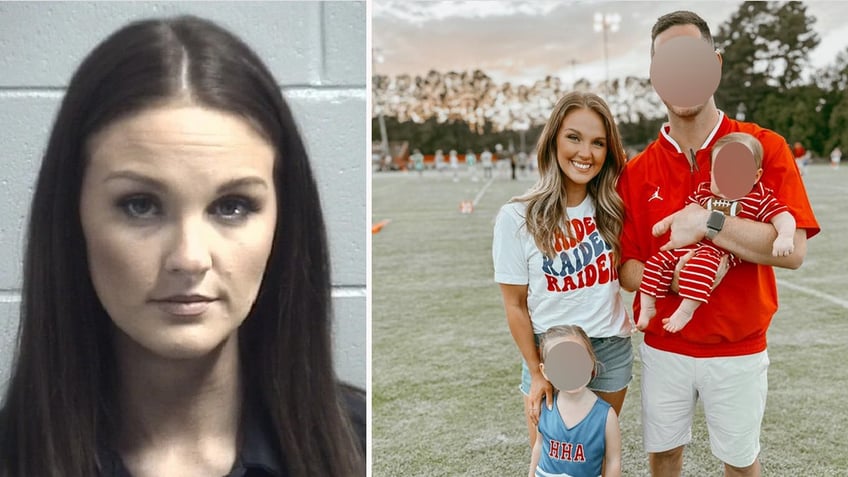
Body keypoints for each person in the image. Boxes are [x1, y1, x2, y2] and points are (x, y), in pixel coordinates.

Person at [0, 15, 365, 477]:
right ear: (73, 219)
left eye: (232, 206)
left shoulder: (360, 445)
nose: (190, 258)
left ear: (284, 222)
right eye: (139, 205)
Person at [617, 11, 819, 477]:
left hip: (738, 347)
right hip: (665, 345)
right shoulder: (637, 171)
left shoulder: (762, 146)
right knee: (664, 457)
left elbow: (794, 251)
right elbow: (627, 265)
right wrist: (673, 275)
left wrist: (707, 221)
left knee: (740, 464)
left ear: (716, 64)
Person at [493, 91, 633, 451]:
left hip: (609, 349)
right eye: (574, 137)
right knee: (554, 463)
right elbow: (515, 305)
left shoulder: (614, 210)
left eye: (598, 143)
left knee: (596, 460)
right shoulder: (516, 217)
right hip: (550, 352)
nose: (586, 153)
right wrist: (536, 370)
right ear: (553, 139)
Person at [637, 133, 797, 333]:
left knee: (703, 266)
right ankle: (648, 306)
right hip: (690, 247)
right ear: (711, 172)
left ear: (755, 176)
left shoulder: (758, 199)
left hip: (719, 254)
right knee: (656, 262)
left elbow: (784, 217)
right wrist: (665, 223)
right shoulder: (705, 193)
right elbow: (685, 214)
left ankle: (685, 311)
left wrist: (785, 236)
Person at [528, 325, 622, 477]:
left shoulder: (606, 415)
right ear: (545, 371)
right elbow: (539, 445)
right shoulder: (545, 407)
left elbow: (613, 460)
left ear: (591, 362)